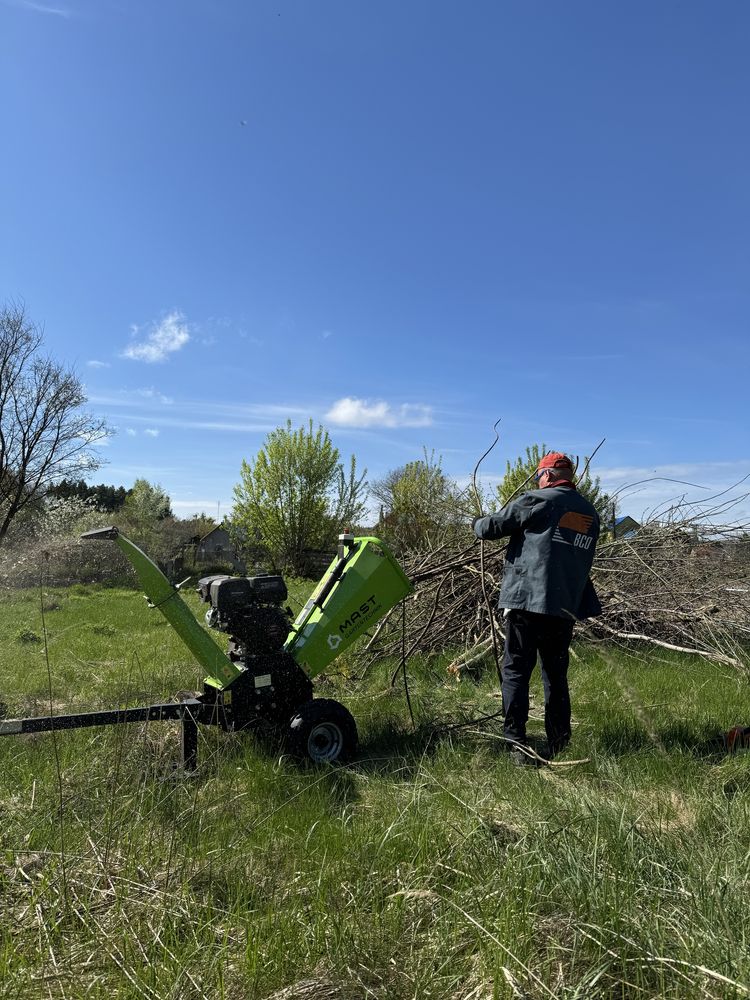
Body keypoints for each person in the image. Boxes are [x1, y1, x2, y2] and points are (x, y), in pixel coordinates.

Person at [472, 452, 601, 764]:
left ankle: (517, 744)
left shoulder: (537, 500)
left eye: (537, 478)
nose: (536, 482)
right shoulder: (590, 513)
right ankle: (559, 742)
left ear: (547, 476)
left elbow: (490, 528)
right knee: (555, 675)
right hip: (564, 608)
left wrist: (476, 522)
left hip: (527, 602)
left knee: (516, 671)